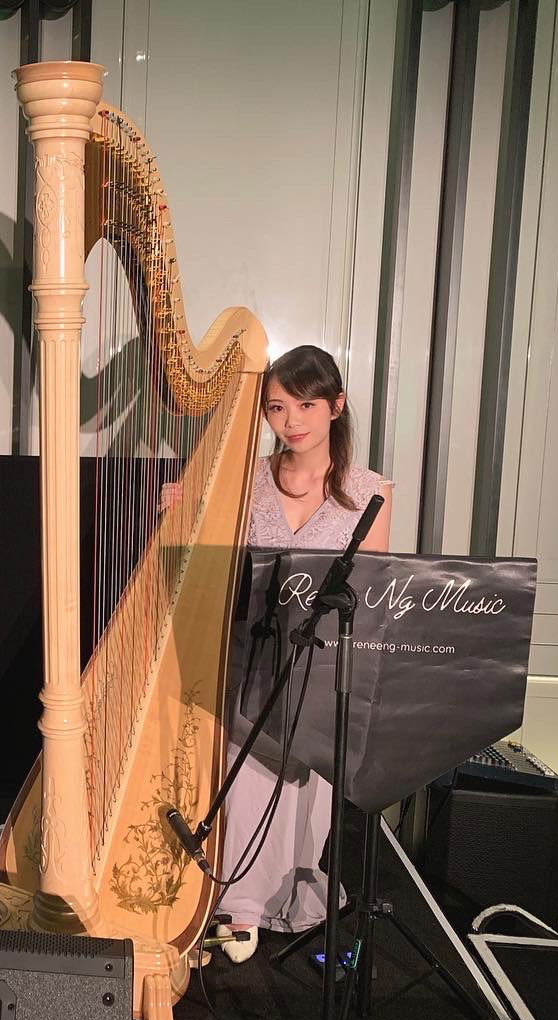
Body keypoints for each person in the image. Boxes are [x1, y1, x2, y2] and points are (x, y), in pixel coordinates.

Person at [164, 344, 391, 962]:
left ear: (337, 406)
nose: (292, 420)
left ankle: (270, 897)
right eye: (277, 407)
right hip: (243, 658)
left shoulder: (369, 492)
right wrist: (179, 518)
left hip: (315, 666)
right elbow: (203, 575)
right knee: (243, 745)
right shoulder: (239, 479)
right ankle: (235, 903)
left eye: (307, 404)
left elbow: (369, 596)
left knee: (299, 750)